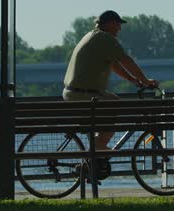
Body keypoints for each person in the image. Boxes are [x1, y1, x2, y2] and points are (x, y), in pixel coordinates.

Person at [62, 10, 158, 150]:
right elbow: (126, 60)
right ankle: (98, 147)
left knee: (112, 103)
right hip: (83, 94)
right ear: (110, 23)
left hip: (75, 93)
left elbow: (113, 64)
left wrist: (132, 79)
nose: (119, 28)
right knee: (116, 106)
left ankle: (94, 155)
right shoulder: (105, 38)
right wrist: (145, 80)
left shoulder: (92, 35)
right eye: (118, 24)